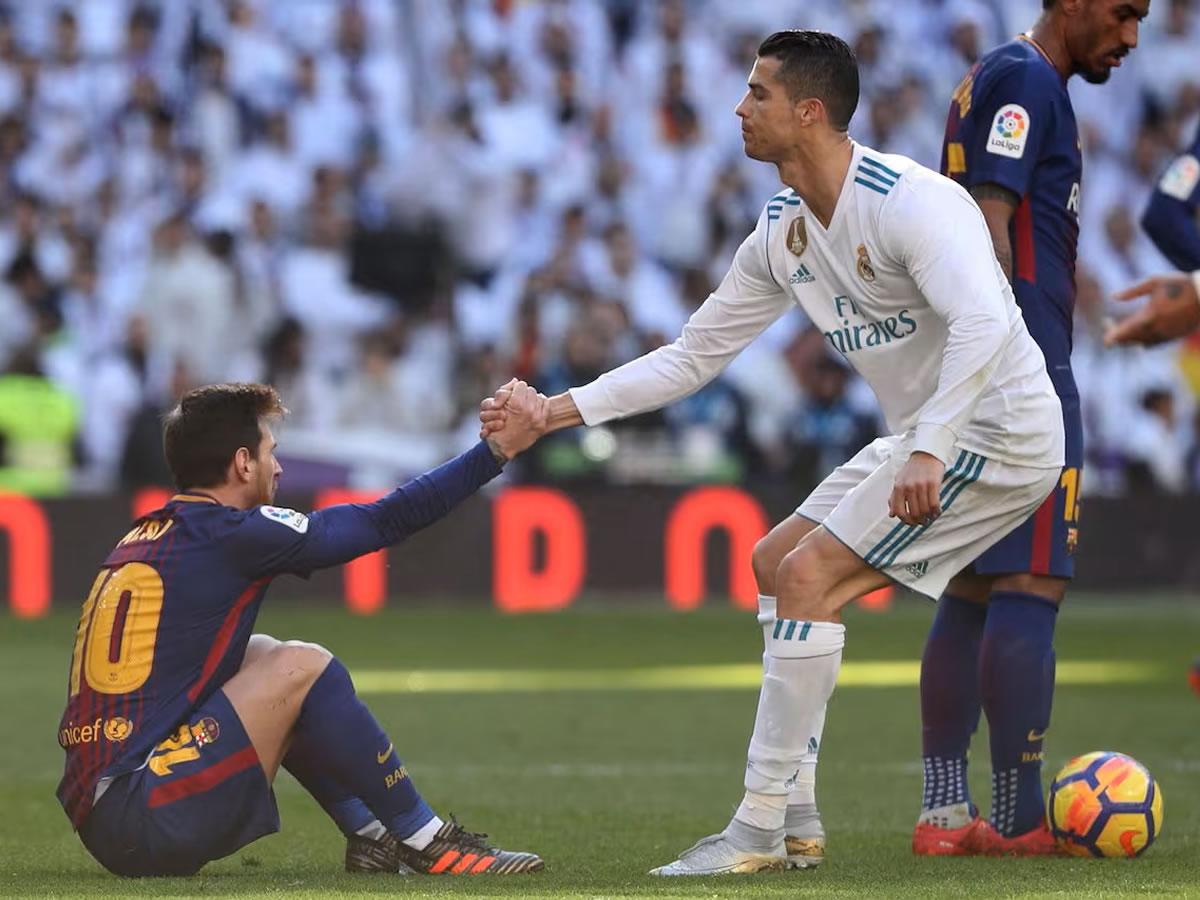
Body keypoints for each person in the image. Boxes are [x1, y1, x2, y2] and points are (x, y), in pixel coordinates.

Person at [481, 30, 1065, 876]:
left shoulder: (911, 201)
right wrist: (554, 412)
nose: (739, 109)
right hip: (927, 436)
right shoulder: (783, 231)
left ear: (810, 111)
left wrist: (932, 449)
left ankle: (752, 830)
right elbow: (691, 356)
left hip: (997, 432)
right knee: (774, 558)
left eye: (757, 94)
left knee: (808, 577)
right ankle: (796, 820)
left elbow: (983, 319)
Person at [56, 381, 548, 878]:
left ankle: (370, 835)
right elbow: (383, 520)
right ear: (242, 463)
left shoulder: (143, 534)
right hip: (145, 817)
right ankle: (429, 842)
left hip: (107, 811)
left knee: (263, 653)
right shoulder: (232, 532)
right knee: (303, 666)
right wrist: (495, 452)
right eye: (271, 451)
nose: (279, 466)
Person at [912, 0, 1146, 856]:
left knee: (972, 587)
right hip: (1022, 373)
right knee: (1031, 585)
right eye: (1124, 14)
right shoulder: (1025, 80)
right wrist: (1011, 364)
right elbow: (988, 217)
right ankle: (1016, 821)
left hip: (979, 373)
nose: (1131, 38)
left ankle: (943, 813)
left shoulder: (998, 76)